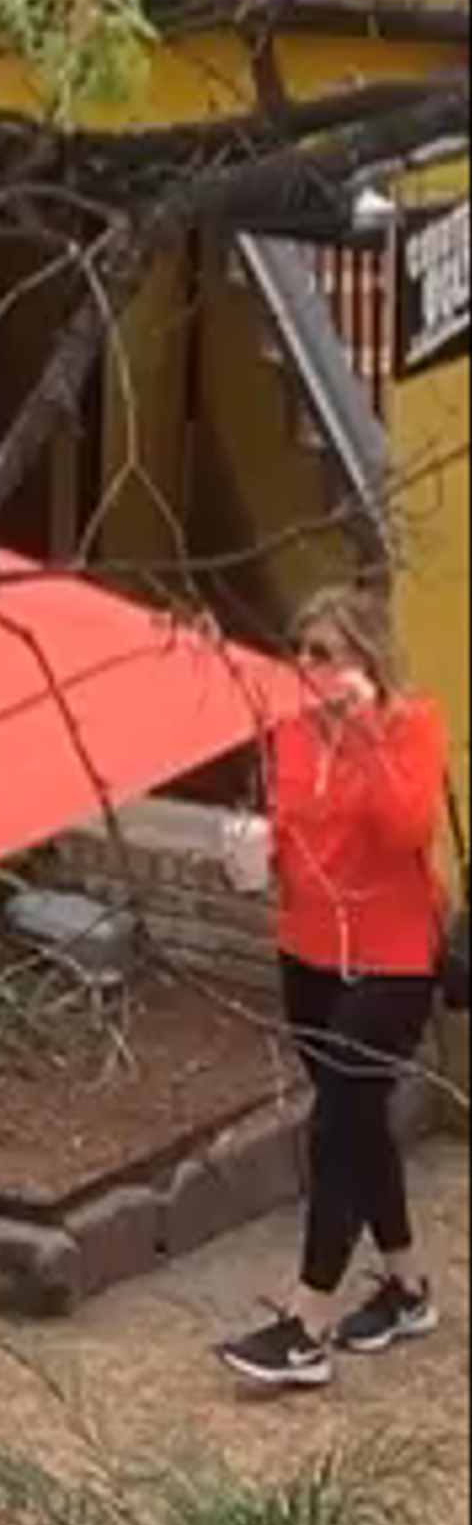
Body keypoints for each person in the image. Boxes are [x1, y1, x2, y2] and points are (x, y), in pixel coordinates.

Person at [218, 592, 452, 1386]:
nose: (311, 668)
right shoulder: (287, 730)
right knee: (358, 1122)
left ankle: (307, 1325)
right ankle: (408, 1285)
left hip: (392, 957)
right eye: (303, 652)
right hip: (308, 951)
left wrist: (366, 731)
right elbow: (292, 829)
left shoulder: (412, 726)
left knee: (334, 1124)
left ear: (368, 658)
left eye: (328, 653)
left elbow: (406, 828)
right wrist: (253, 853)